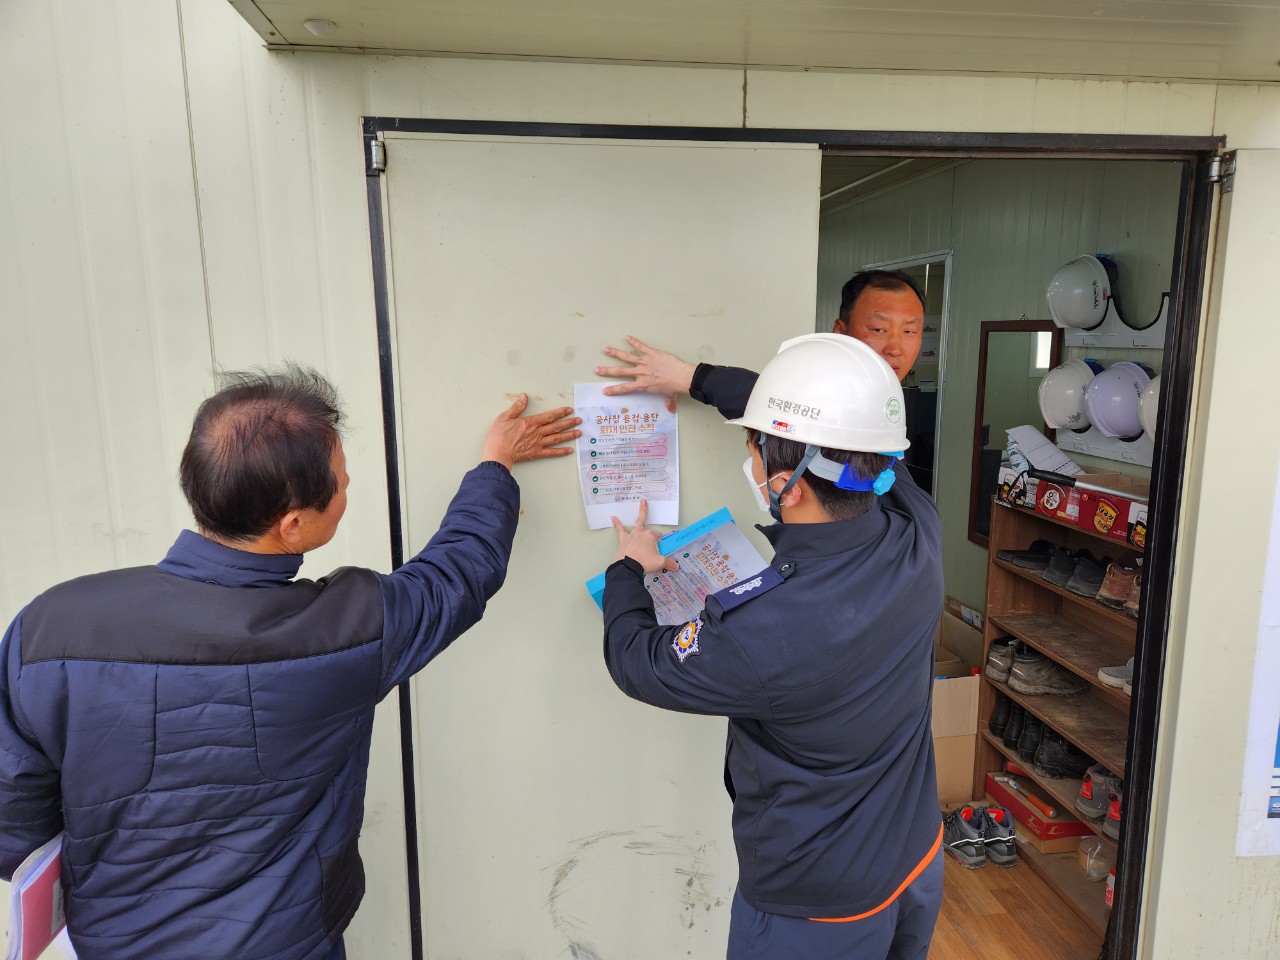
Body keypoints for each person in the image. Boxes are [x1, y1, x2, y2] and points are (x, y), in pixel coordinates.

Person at [0, 365, 581, 960]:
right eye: (343, 485)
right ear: (294, 525)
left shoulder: (48, 627)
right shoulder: (349, 630)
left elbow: (13, 813)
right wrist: (495, 464)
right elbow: (457, 573)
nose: (347, 491)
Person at [600, 334, 944, 959]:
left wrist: (630, 569)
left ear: (788, 486)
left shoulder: (762, 631)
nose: (752, 463)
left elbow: (638, 662)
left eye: (753, 451)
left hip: (817, 910)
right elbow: (836, 420)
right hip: (915, 859)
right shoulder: (917, 531)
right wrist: (695, 377)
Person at [593, 268, 926, 421]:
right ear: (840, 332)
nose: (896, 348)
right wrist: (688, 376)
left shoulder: (885, 405)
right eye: (879, 329)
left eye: (910, 331)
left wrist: (687, 377)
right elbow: (783, 403)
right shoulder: (829, 390)